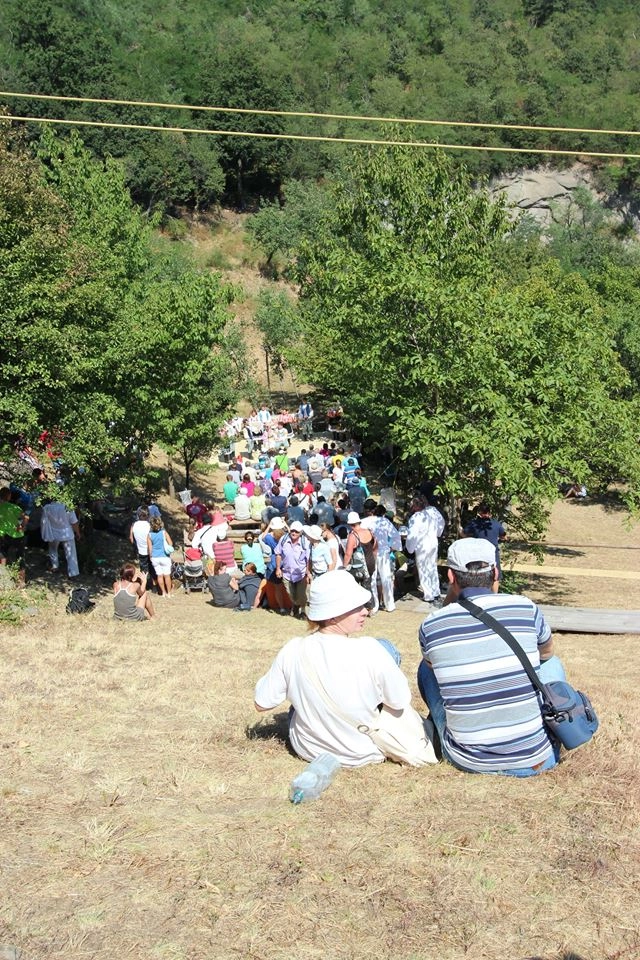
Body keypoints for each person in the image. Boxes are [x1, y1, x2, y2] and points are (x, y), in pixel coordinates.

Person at [417, 538, 567, 777]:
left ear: (450, 577)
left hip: (468, 760)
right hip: (539, 756)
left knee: (427, 668)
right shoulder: (525, 607)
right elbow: (547, 653)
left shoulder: (432, 624)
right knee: (552, 663)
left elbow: (435, 665)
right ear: (496, 572)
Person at [254, 570, 434, 767]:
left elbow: (262, 702)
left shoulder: (293, 649)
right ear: (332, 616)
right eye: (356, 607)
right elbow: (399, 701)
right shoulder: (370, 650)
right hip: (362, 752)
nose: (365, 611)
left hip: (308, 749)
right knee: (386, 648)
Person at [405, 496, 445, 604]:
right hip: (433, 542)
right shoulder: (433, 510)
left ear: (416, 506)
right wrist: (437, 533)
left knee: (423, 569)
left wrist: (410, 548)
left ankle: (428, 595)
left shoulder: (416, 517)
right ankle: (436, 591)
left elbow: (412, 536)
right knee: (432, 567)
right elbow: (442, 523)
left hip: (422, 546)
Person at [463, 502, 506, 585]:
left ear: (479, 513)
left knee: (477, 574)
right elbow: (503, 536)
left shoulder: (474, 524)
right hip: (493, 553)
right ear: (490, 512)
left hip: (478, 553)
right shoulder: (496, 524)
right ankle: (494, 596)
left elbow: (464, 534)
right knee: (495, 576)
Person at [274, 520, 310, 618]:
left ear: (301, 532)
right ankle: (296, 605)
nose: (294, 533)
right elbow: (278, 553)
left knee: (301, 594)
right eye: (292, 531)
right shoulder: (284, 539)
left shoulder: (305, 542)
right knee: (291, 594)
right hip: (287, 573)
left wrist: (308, 572)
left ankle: (302, 610)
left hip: (300, 573)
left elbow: (308, 559)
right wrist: (278, 568)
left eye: (296, 531)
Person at [40, 499, 81, 578]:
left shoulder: (47, 507)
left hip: (53, 533)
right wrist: (78, 533)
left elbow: (43, 521)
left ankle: (55, 566)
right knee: (71, 553)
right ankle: (73, 573)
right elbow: (74, 522)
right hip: (67, 533)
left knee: (53, 549)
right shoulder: (68, 507)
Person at [373, 504, 402, 613]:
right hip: (384, 552)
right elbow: (396, 535)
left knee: (373, 579)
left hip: (373, 552)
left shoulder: (369, 522)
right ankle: (389, 604)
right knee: (386, 578)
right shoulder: (385, 522)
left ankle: (375, 604)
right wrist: (393, 547)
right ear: (383, 513)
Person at [0, 487, 27, 586]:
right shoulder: (14, 507)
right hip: (17, 535)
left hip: (3, 535)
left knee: (3, 555)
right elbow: (26, 517)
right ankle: (22, 581)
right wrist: (22, 526)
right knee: (20, 557)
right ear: (9, 496)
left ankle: (3, 578)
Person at [146, 516, 174, 598]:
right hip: (164, 556)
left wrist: (150, 556)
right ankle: (169, 593)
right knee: (167, 575)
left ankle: (163, 592)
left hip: (155, 557)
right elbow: (171, 543)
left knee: (159, 575)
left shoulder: (149, 535)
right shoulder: (163, 532)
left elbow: (150, 547)